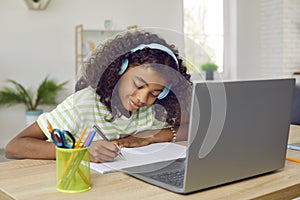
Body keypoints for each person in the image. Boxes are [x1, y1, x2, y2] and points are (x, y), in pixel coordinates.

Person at [5, 30, 192, 163]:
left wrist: (149, 137)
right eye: (138, 85)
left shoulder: (151, 110)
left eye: (155, 92)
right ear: (119, 69)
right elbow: (14, 147)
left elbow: (189, 128)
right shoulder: (83, 104)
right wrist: (81, 152)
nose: (143, 98)